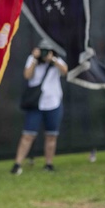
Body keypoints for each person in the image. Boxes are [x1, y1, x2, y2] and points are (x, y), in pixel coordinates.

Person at [11, 41, 68, 174]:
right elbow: (27, 75)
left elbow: (65, 71)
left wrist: (52, 59)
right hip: (36, 104)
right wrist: (35, 59)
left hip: (53, 103)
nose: (44, 54)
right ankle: (17, 164)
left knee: (51, 135)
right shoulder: (32, 59)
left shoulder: (56, 60)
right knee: (28, 135)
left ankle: (49, 164)